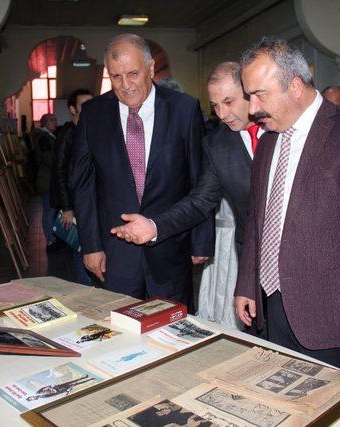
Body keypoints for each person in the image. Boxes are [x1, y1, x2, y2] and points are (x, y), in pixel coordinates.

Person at [234, 37, 340, 380]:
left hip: (338, 319)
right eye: (249, 95)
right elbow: (257, 219)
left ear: (295, 86)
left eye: (259, 94)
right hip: (274, 306)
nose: (252, 109)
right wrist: (248, 283)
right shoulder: (268, 141)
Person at [110, 62, 276, 329]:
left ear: (250, 94)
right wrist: (154, 226)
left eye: (229, 102)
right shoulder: (218, 144)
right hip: (254, 262)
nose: (222, 113)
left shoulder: (281, 130)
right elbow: (200, 201)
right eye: (215, 106)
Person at [71, 34, 214, 306]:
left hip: (171, 244)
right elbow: (83, 184)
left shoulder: (184, 109)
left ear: (150, 69)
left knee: (172, 330)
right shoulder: (93, 114)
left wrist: (201, 240)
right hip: (115, 250)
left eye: (133, 74)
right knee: (118, 328)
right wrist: (91, 246)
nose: (125, 85)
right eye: (115, 77)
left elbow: (200, 177)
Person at [49, 88, 93, 284]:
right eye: (84, 106)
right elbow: (59, 171)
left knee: (86, 247)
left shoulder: (88, 130)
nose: (89, 110)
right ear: (73, 109)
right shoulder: (68, 134)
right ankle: (83, 291)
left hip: (85, 202)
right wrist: (67, 207)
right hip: (73, 205)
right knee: (80, 249)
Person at [32, 113, 58, 250]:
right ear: (45, 123)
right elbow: (49, 158)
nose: (55, 122)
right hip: (46, 179)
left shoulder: (48, 137)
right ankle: (49, 238)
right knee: (49, 210)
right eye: (52, 120)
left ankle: (52, 237)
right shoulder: (44, 138)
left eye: (55, 120)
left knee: (50, 209)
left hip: (48, 178)